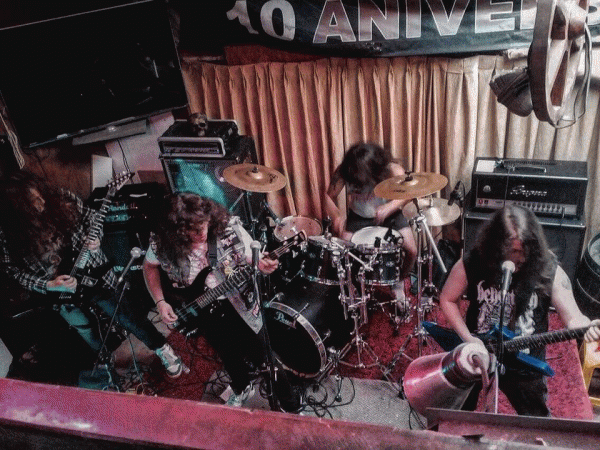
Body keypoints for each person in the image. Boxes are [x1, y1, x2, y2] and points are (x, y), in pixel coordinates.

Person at [0, 171, 183, 378]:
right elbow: (12, 270)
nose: (41, 202)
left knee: (128, 316)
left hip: (95, 273)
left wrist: (96, 239)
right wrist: (48, 285)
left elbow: (92, 217)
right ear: (18, 210)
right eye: (33, 202)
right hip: (59, 290)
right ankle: (107, 361)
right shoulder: (7, 233)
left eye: (39, 196)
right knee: (86, 330)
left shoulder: (61, 198)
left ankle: (161, 348)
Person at [439, 205, 600, 416]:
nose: (522, 257)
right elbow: (447, 299)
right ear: (496, 246)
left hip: (525, 360)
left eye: (526, 249)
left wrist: (586, 326)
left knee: (536, 419)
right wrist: (468, 338)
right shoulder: (474, 261)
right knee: (456, 414)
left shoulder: (548, 269)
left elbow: (573, 318)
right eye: (514, 251)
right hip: (478, 352)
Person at [142, 193, 286, 408]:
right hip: (201, 308)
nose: (201, 233)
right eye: (192, 231)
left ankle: (290, 403)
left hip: (240, 303)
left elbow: (251, 258)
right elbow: (149, 267)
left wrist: (262, 266)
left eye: (203, 225)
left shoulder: (229, 228)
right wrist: (161, 302)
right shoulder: (162, 242)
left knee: (264, 357)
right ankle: (242, 386)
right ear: (176, 233)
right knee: (227, 353)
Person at [325, 142, 417, 307]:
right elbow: (328, 197)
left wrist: (390, 207)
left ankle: (398, 282)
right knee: (344, 250)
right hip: (358, 217)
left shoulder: (392, 170)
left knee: (412, 250)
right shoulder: (345, 169)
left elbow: (409, 192)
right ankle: (354, 285)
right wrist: (337, 217)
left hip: (391, 215)